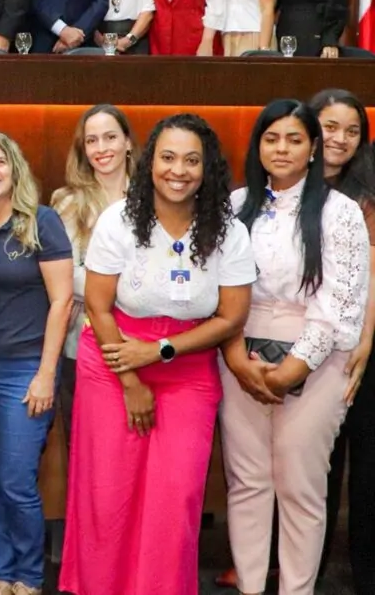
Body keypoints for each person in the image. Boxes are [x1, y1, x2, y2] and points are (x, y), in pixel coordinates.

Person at [59, 114, 255, 595]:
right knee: (109, 496)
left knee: (176, 495)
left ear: (208, 168)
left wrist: (160, 350)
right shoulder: (119, 220)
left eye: (192, 160)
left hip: (187, 367)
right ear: (149, 163)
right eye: (168, 157)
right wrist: (131, 379)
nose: (178, 170)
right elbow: (98, 307)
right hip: (114, 360)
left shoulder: (228, 231)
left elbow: (231, 317)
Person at [222, 99, 368, 595]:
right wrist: (236, 358)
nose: (281, 148)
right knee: (247, 481)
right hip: (239, 353)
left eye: (294, 139)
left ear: (313, 149)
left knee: (299, 485)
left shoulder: (340, 211)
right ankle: (249, 586)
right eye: (271, 138)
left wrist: (291, 370)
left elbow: (338, 302)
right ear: (257, 146)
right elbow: (218, 289)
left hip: (318, 357)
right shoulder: (234, 205)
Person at [0, 131, 73, 595]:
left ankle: (28, 575)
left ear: (14, 167)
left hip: (26, 370)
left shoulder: (41, 221)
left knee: (16, 480)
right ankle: (0, 572)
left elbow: (62, 302)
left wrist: (46, 374)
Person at [312, 89, 375, 595]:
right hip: (304, 345)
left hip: (363, 344)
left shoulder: (367, 193)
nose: (340, 139)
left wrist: (366, 342)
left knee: (368, 465)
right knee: (314, 466)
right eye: (330, 126)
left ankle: (365, 572)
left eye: (352, 131)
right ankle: (298, 569)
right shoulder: (284, 183)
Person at [49, 104, 134, 437]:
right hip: (80, 341)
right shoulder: (67, 202)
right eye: (92, 140)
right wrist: (137, 289)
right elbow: (68, 275)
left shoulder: (157, 197)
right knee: (86, 443)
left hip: (143, 341)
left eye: (110, 137)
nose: (102, 148)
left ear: (128, 142)